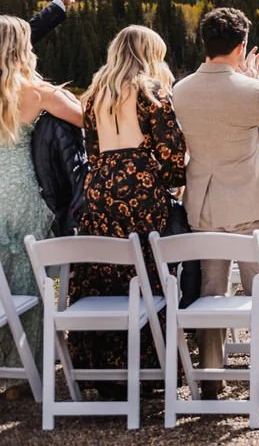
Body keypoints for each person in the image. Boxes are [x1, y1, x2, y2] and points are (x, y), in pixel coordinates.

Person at [173, 8, 259, 401]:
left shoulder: (180, 90)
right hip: (252, 202)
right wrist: (253, 80)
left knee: (212, 290)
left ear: (203, 43)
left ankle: (210, 374)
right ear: (242, 47)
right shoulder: (251, 90)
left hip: (204, 203)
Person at [67, 26, 186, 396]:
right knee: (146, 271)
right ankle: (149, 369)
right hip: (139, 189)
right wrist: (173, 181)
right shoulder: (151, 92)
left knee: (103, 272)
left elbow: (91, 152)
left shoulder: (93, 95)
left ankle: (106, 373)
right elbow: (171, 151)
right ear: (148, 54)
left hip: (99, 187)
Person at [0, 16, 82, 389]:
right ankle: (23, 372)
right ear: (21, 48)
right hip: (20, 189)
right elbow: (88, 119)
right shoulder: (35, 92)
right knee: (28, 277)